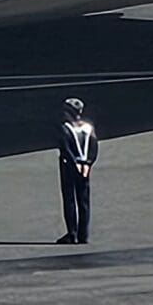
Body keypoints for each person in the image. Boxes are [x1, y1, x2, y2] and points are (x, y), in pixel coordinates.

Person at [56, 98, 98, 244]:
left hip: (69, 166)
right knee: (84, 201)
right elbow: (94, 148)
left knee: (70, 200)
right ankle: (83, 234)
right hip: (85, 168)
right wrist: (88, 163)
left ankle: (72, 233)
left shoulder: (65, 128)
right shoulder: (88, 127)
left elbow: (65, 149)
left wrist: (74, 164)